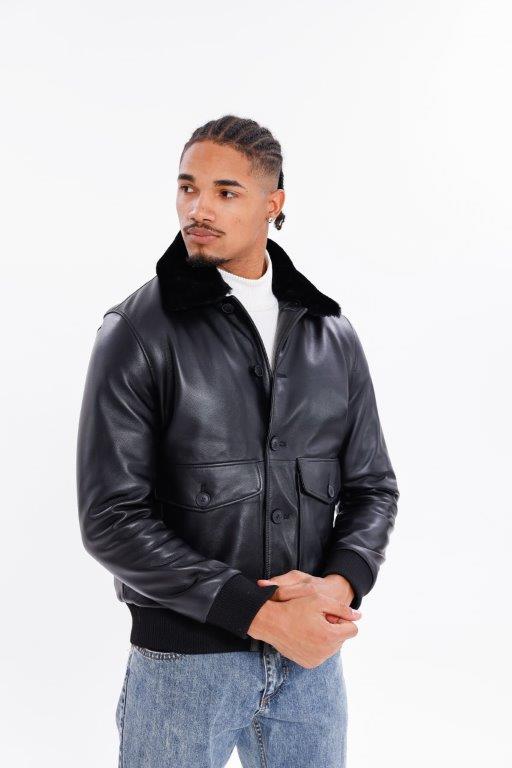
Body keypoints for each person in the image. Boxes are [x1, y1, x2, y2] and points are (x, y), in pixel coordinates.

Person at [76, 114, 399, 768]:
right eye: (187, 187)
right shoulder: (135, 331)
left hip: (309, 668)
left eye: (225, 191)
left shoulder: (330, 336)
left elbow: (372, 488)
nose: (198, 208)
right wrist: (262, 614)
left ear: (273, 203)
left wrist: (337, 588)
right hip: (183, 670)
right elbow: (110, 518)